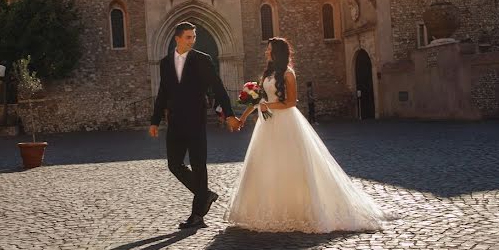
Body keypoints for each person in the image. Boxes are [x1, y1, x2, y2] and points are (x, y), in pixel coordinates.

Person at [225, 37, 388, 233]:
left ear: (278, 53)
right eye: (267, 50)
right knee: (265, 165)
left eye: (269, 50)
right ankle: (266, 210)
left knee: (290, 165)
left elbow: (291, 102)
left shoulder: (288, 74)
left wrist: (268, 105)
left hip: (285, 123)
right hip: (266, 125)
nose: (266, 53)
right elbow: (258, 100)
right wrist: (242, 118)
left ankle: (296, 210)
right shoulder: (267, 74)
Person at [150, 22, 240, 230]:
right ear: (178, 39)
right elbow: (163, 92)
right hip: (175, 121)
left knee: (199, 165)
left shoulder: (202, 60)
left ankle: (197, 216)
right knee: (174, 164)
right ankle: (205, 194)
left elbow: (218, 87)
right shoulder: (165, 63)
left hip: (196, 121)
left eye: (193, 37)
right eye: (188, 37)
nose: (192, 41)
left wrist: (228, 114)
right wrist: (155, 120)